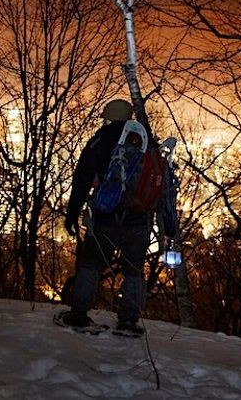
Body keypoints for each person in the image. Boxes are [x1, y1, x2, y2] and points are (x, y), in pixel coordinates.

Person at [56, 99, 150, 337]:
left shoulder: (100, 141)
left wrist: (72, 213)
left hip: (106, 216)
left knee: (90, 264)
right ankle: (128, 321)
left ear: (109, 117)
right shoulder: (147, 142)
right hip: (139, 218)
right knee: (133, 269)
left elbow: (82, 180)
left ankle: (79, 314)